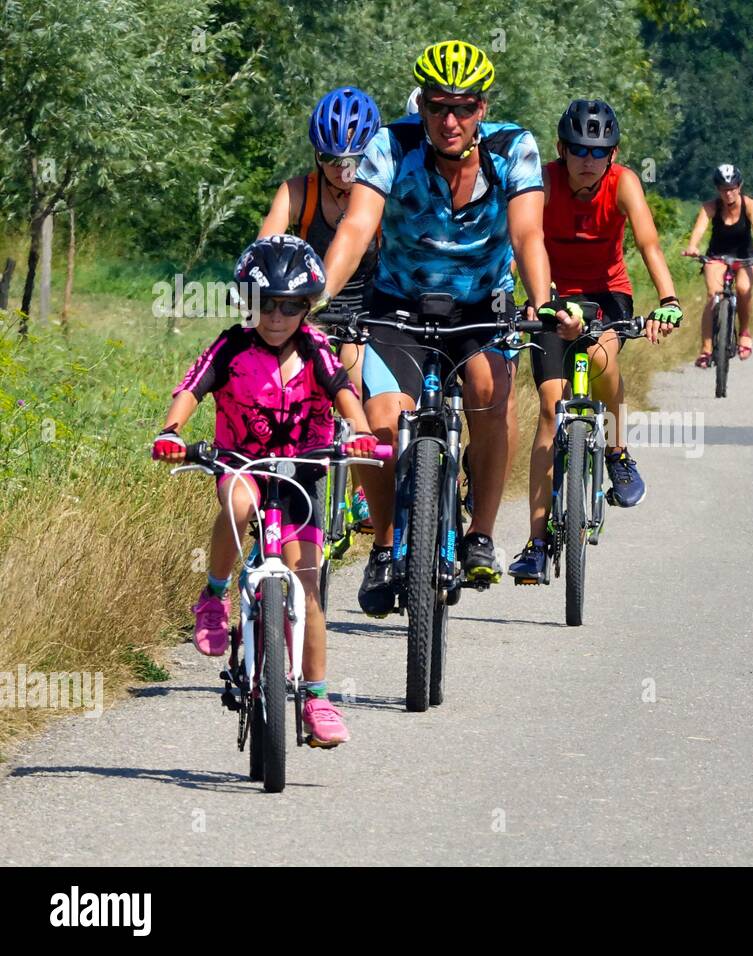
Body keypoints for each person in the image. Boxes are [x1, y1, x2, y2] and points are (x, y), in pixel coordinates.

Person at [319, 39, 580, 614]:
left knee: (491, 393)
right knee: (381, 423)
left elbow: (527, 235)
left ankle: (481, 532)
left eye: (463, 107)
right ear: (423, 107)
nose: (450, 120)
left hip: (481, 306)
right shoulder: (392, 144)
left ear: (482, 108)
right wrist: (320, 296)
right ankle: (386, 547)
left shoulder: (515, 148)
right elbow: (357, 228)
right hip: (398, 306)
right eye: (438, 107)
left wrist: (542, 301)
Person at [152, 236, 378, 747]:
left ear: (307, 307)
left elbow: (344, 390)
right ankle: (213, 596)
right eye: (265, 304)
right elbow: (192, 387)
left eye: (290, 306)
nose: (276, 316)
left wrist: (360, 431)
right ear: (246, 303)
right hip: (242, 462)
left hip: (302, 470)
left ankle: (317, 697)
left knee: (308, 581)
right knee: (238, 502)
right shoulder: (231, 345)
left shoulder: (317, 349)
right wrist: (171, 432)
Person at [508, 100, 685, 581]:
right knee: (549, 406)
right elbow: (520, 242)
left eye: (600, 151)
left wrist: (668, 298)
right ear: (561, 148)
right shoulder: (541, 182)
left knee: (603, 359)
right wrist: (521, 293)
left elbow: (648, 243)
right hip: (551, 295)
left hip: (609, 296)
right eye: (580, 150)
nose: (589, 160)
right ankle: (537, 542)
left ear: (613, 153)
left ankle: (617, 453)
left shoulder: (623, 182)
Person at [259, 86, 383, 529]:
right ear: (316, 155)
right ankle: (278, 484)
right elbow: (267, 245)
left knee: (353, 377)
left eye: (355, 160)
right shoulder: (298, 192)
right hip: (310, 302)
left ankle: (361, 493)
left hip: (368, 304)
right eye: (333, 160)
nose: (344, 171)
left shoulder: (378, 196)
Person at [683, 164, 753, 366]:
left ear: (739, 186)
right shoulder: (710, 207)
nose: (729, 193)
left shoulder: (750, 206)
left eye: (733, 188)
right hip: (717, 255)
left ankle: (744, 333)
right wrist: (692, 246)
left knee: (743, 289)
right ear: (718, 189)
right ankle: (706, 349)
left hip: (745, 257)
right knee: (713, 294)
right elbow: (699, 229)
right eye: (724, 189)